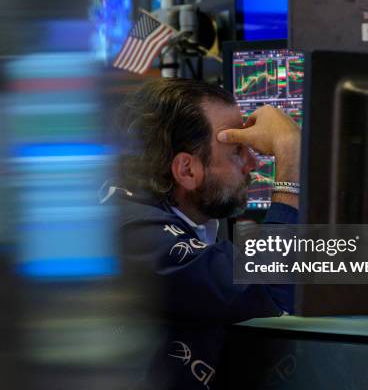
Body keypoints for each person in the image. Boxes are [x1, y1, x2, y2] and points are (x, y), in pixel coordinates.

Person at [104, 78, 301, 389]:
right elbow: (273, 284)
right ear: (186, 170)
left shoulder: (156, 214)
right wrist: (290, 158)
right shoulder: (138, 236)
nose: (253, 163)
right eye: (238, 151)